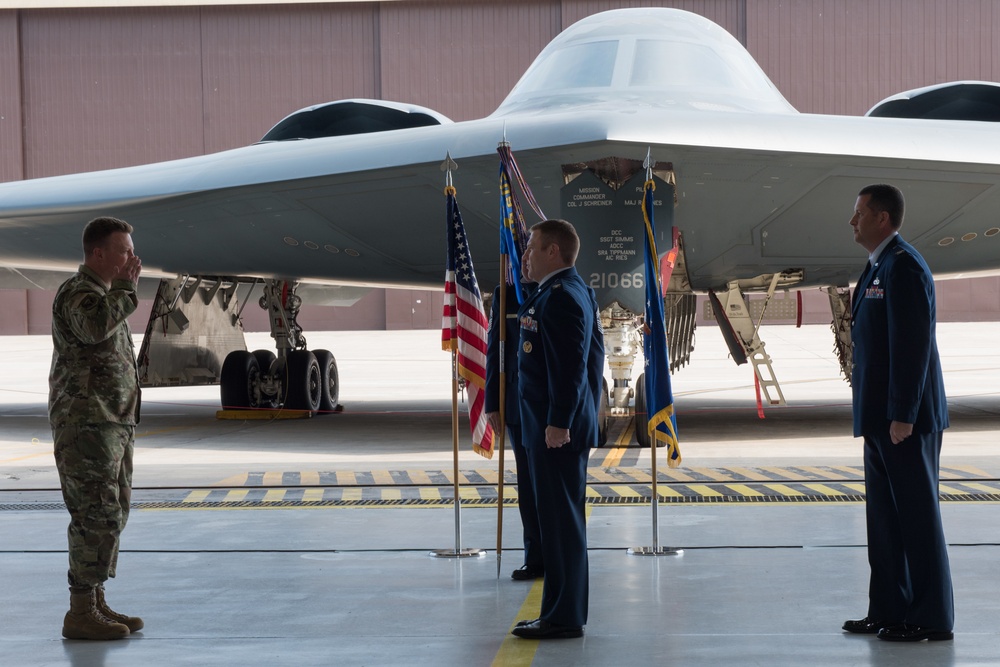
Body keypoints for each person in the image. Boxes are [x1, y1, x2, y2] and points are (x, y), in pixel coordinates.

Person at [842, 184, 954, 642]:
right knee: (885, 522)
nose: (852, 222)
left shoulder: (904, 267)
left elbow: (913, 347)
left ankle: (930, 618)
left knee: (916, 520)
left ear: (882, 219)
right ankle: (888, 609)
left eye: (859, 214)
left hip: (905, 420)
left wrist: (903, 414)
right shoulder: (878, 266)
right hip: (879, 420)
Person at [50, 216, 144, 640]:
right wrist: (125, 291)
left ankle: (95, 599)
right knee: (94, 514)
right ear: (98, 254)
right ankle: (79, 611)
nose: (132, 259)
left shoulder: (104, 295)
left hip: (112, 423)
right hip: (86, 425)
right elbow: (92, 330)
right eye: (123, 251)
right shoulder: (78, 294)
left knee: (112, 512)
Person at [511, 219, 604, 640]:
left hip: (555, 433)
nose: (525, 254)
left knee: (561, 526)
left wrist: (559, 422)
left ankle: (563, 617)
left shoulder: (563, 297)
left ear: (553, 251)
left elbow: (569, 369)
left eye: (532, 246)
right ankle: (561, 611)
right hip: (554, 427)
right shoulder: (567, 291)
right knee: (560, 524)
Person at [485, 280, 544, 581]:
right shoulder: (504, 295)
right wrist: (492, 401)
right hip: (517, 406)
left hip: (550, 406)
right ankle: (534, 557)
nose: (526, 258)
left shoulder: (567, 290)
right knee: (527, 487)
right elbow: (496, 346)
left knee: (553, 489)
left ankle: (560, 557)